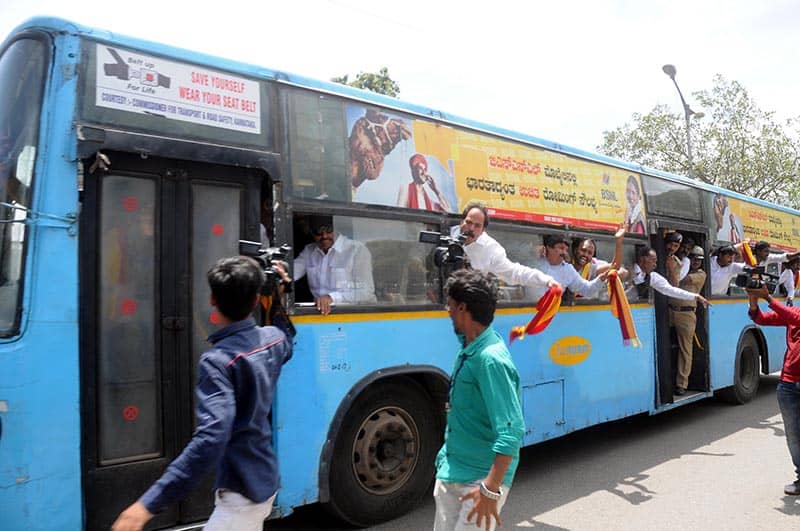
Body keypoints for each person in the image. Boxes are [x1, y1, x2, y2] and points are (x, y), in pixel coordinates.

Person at [111, 256, 293, 531]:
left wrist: (147, 504)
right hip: (264, 480)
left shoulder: (218, 361)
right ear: (257, 300)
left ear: (212, 300)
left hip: (241, 495)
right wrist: (279, 295)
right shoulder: (271, 340)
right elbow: (287, 336)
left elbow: (212, 437)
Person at [434, 269, 524, 531]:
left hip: (479, 480)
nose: (447, 310)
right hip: (452, 471)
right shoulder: (469, 344)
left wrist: (490, 489)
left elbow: (511, 431)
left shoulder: (490, 360)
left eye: (450, 304)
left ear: (462, 307)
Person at [746, 283, 800, 496]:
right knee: (793, 435)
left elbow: (794, 318)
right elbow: (761, 319)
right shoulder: (793, 312)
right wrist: (753, 301)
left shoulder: (794, 315)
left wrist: (768, 298)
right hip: (788, 384)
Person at [454, 202, 561, 294]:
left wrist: (546, 281)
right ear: (461, 221)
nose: (471, 228)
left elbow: (514, 272)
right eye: (468, 222)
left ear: (483, 230)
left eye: (477, 226)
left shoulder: (490, 249)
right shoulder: (447, 234)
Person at [293, 216, 377, 315]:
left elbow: (367, 292)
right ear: (311, 233)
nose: (324, 236)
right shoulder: (309, 250)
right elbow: (291, 273)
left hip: (353, 314)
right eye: (318, 232)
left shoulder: (356, 249)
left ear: (336, 228)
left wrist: (332, 298)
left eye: (329, 230)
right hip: (318, 314)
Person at [670, 246, 707, 395]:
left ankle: (682, 384)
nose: (696, 261)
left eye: (699, 259)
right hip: (669, 310)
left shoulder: (700, 274)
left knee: (685, 350)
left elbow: (679, 279)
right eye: (693, 258)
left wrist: (679, 264)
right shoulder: (682, 266)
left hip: (686, 314)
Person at [529, 234, 607, 301]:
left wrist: (601, 279)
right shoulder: (533, 263)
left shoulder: (567, 270)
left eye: (566, 249)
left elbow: (586, 289)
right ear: (549, 248)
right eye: (561, 248)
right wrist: (532, 251)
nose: (564, 253)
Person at [629, 246, 710, 309]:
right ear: (642, 260)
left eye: (656, 261)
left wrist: (695, 296)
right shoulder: (628, 271)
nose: (655, 265)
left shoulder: (652, 277)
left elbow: (671, 290)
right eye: (653, 260)